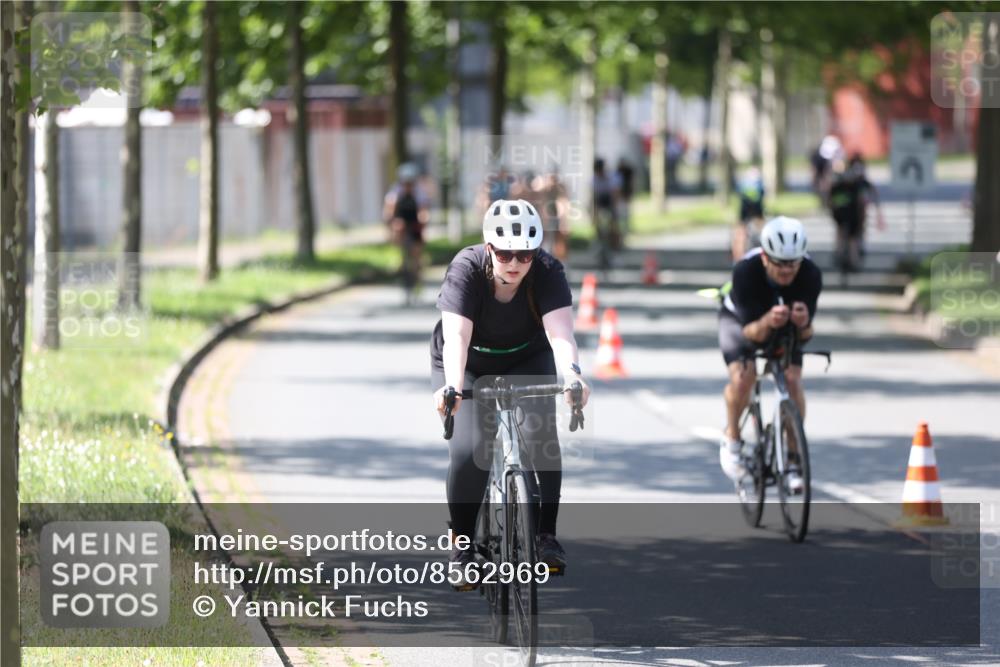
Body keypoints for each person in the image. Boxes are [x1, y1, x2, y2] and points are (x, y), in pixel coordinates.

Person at [431, 199, 591, 589]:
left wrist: (573, 376)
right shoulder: (466, 270)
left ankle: (545, 536)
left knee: (541, 437)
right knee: (471, 450)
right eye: (505, 253)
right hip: (467, 362)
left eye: (525, 254)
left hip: (525, 356)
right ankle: (463, 548)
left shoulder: (549, 272)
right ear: (489, 249)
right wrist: (452, 385)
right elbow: (457, 338)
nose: (515, 263)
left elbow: (560, 335)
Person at [717, 217, 822, 492]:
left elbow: (807, 335)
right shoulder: (745, 272)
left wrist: (802, 324)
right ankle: (733, 440)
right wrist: (767, 322)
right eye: (780, 266)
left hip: (785, 324)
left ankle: (792, 459)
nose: (788, 272)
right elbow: (751, 334)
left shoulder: (810, 274)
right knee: (743, 377)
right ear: (765, 258)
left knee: (793, 379)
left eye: (793, 265)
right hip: (742, 322)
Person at [383, 163, 430, 305]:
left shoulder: (419, 193)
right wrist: (393, 223)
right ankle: (401, 267)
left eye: (410, 182)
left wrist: (423, 220)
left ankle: (417, 280)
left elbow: (423, 210)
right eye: (405, 182)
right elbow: (389, 211)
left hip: (415, 226)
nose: (408, 185)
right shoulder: (395, 192)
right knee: (403, 252)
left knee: (416, 258)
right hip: (402, 227)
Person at [828, 155, 884, 272]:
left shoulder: (846, 182)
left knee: (847, 234)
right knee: (850, 236)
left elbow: (831, 199)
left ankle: (846, 256)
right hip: (850, 215)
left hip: (849, 215)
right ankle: (850, 258)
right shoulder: (857, 183)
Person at [732, 167, 766, 262]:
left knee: (740, 231)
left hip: (745, 206)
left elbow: (738, 192)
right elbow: (763, 193)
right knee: (763, 230)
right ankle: (766, 253)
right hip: (757, 206)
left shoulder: (744, 181)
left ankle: (738, 258)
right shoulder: (759, 181)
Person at [592, 158, 621, 251]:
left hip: (610, 199)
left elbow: (615, 195)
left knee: (613, 224)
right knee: (597, 222)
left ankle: (615, 243)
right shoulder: (594, 179)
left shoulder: (611, 178)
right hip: (600, 200)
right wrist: (594, 214)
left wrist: (614, 211)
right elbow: (594, 198)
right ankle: (600, 240)